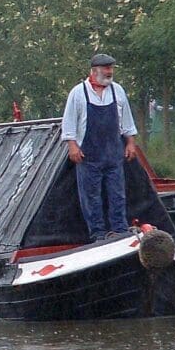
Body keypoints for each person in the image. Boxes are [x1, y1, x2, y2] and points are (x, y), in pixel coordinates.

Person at [61, 53, 138, 243]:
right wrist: (72, 146)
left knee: (117, 194)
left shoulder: (117, 91)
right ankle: (98, 235)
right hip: (89, 155)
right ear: (95, 71)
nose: (110, 72)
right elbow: (69, 123)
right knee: (91, 197)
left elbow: (127, 120)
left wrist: (130, 143)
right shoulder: (78, 93)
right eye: (106, 68)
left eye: (111, 68)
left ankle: (120, 230)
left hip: (114, 154)